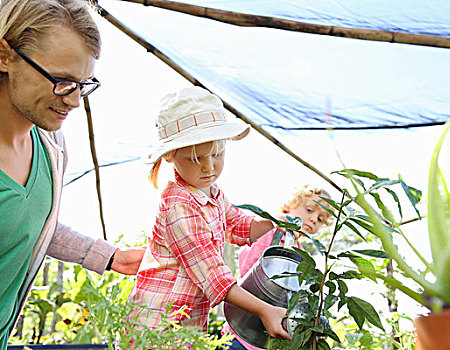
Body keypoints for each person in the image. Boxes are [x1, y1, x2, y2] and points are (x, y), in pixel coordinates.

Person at [0, 1, 144, 348]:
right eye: (62, 82)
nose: (75, 100)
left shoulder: (51, 146)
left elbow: (27, 222)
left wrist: (108, 257)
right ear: (4, 56)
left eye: (83, 84)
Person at [127, 86, 291, 342]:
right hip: (157, 323)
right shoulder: (178, 204)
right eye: (195, 158)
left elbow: (239, 226)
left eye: (217, 154)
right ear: (171, 156)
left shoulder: (212, 194)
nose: (209, 166)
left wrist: (273, 223)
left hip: (187, 320)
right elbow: (211, 271)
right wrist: (264, 309)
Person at [222, 184, 334, 350]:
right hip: (239, 335)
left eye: (319, 219)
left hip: (266, 340)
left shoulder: (302, 256)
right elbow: (249, 273)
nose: (313, 220)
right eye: (310, 210)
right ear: (289, 206)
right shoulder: (270, 233)